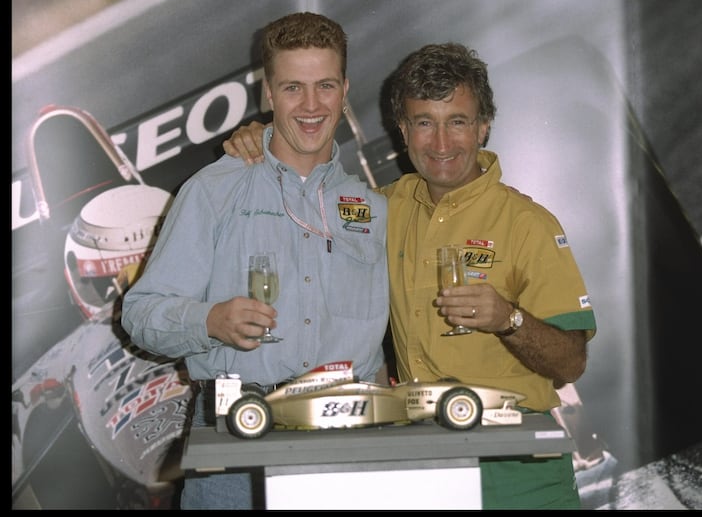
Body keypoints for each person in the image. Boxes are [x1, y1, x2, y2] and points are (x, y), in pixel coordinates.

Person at [224, 42, 597, 509]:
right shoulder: (380, 209)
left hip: (518, 474)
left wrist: (508, 319)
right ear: (403, 131)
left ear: (483, 127)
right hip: (423, 470)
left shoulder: (529, 224)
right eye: (424, 123)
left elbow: (570, 364)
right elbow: (299, 204)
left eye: (457, 122)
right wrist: (262, 139)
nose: (441, 144)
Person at [121, 12, 389, 510]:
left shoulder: (374, 209)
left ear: (345, 88)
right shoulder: (212, 191)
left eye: (325, 86)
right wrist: (209, 320)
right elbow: (140, 314)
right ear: (268, 92)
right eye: (293, 88)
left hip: (350, 441)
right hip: (238, 438)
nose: (311, 106)